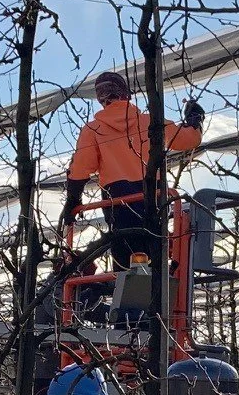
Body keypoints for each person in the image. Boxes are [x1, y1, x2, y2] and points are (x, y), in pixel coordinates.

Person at [62, 72, 205, 270]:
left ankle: (126, 286)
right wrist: (195, 118)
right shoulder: (150, 121)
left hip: (118, 200)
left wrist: (73, 201)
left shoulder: (93, 130)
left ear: (100, 98)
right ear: (126, 94)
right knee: (156, 248)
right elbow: (189, 140)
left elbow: (80, 170)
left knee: (126, 255)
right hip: (154, 195)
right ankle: (159, 283)